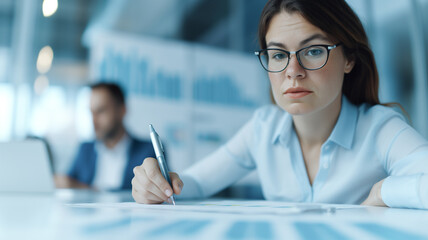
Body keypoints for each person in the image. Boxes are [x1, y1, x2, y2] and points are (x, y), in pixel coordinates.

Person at [131, 0, 428, 209]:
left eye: (312, 51)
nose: (292, 70)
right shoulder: (263, 128)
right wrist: (156, 183)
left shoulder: (379, 128)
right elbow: (195, 183)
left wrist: (383, 192)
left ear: (349, 58)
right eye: (277, 54)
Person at [55, 82, 156, 190]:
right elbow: (69, 182)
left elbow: (151, 192)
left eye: (100, 111)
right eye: (91, 112)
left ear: (122, 110)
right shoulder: (86, 149)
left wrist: (86, 189)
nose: (93, 121)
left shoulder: (148, 151)